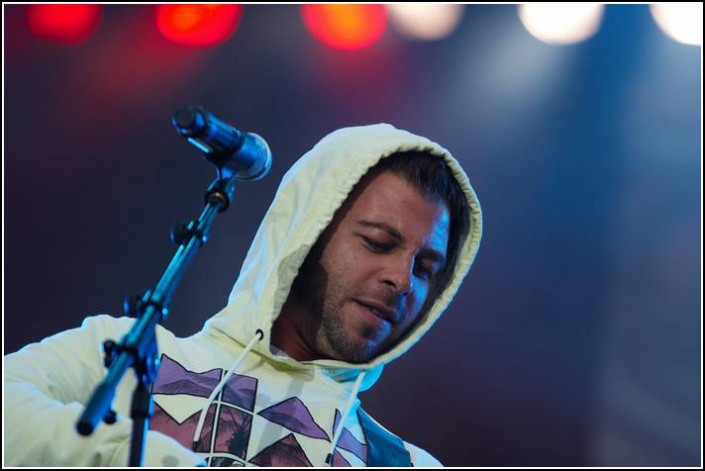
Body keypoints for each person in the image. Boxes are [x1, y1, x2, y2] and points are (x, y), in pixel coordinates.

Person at [5, 123, 482, 467]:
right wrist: (139, 457)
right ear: (304, 235)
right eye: (378, 243)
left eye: (425, 269)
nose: (402, 280)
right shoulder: (129, 354)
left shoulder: (407, 464)